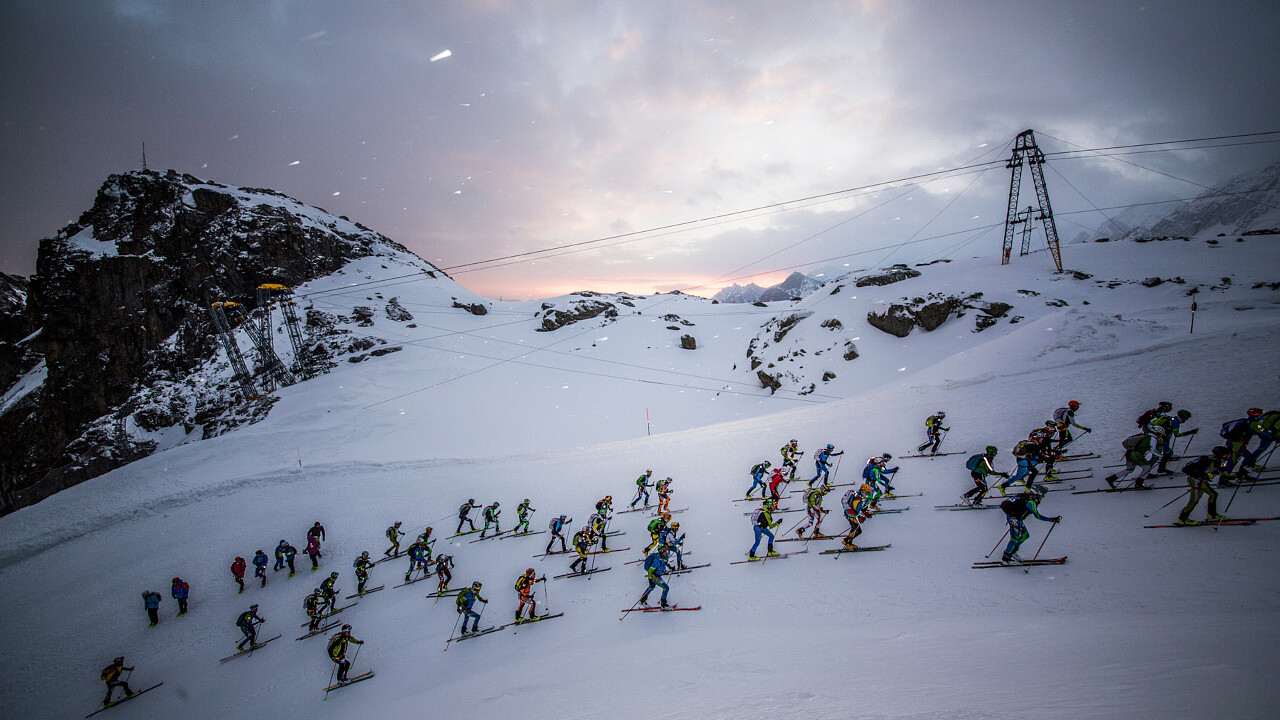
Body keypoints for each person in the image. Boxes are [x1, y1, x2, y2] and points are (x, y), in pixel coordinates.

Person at [1000, 487, 1060, 564]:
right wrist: (1051, 520)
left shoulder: (1025, 497)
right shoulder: (1031, 502)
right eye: (1042, 496)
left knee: (1025, 536)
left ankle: (1012, 552)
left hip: (1016, 519)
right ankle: (1005, 558)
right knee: (1014, 539)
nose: (1042, 497)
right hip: (1014, 520)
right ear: (1037, 495)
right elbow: (1038, 516)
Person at [1176, 447, 1232, 525]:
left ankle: (1212, 514)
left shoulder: (1209, 459)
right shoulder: (1214, 462)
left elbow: (1222, 472)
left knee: (1213, 495)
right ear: (1220, 455)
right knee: (1194, 500)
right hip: (1197, 482)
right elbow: (1225, 474)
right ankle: (1183, 519)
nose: (1228, 456)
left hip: (1199, 481)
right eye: (1226, 455)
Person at [1221, 408, 1265, 479]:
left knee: (1248, 457)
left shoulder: (1244, 422)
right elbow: (1263, 431)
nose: (1261, 416)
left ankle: (1242, 474)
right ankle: (1224, 479)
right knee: (1233, 461)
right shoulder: (1253, 424)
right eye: (1260, 415)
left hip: (1235, 443)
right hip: (1237, 445)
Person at [1150, 409, 1194, 474]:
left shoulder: (1171, 419)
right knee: (1164, 453)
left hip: (1161, 438)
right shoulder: (1175, 422)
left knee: (1165, 453)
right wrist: (1190, 432)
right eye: (1186, 418)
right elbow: (1177, 435)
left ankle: (1161, 468)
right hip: (1160, 439)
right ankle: (1148, 471)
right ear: (1182, 417)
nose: (1186, 420)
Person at [840, 481, 874, 549]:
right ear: (863, 491)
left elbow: (859, 508)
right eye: (867, 493)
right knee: (856, 530)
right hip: (850, 515)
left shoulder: (859, 496)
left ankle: (847, 542)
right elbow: (855, 510)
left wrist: (864, 512)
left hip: (850, 514)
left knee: (855, 529)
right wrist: (861, 516)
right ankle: (847, 542)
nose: (867, 494)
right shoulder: (858, 498)